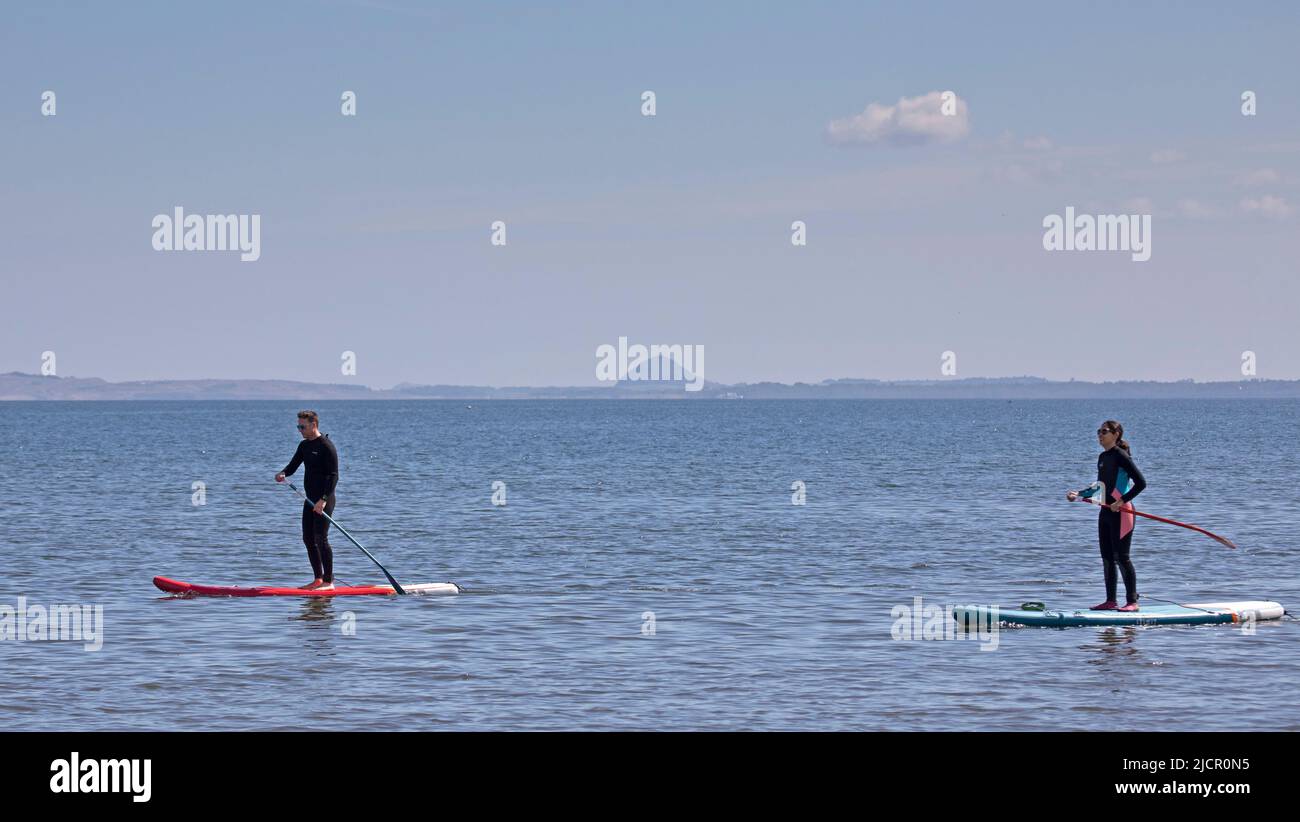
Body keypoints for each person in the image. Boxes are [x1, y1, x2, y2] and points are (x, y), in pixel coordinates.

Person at [1066, 420, 1147, 612]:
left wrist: (1121, 501)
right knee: (1108, 557)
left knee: (1122, 557)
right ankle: (1111, 601)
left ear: (1116, 434)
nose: (1100, 435)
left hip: (1123, 512)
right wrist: (1079, 494)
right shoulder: (1103, 457)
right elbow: (1100, 488)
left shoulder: (1121, 456)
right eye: (1098, 431)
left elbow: (1141, 483)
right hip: (1105, 512)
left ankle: (1132, 602)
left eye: (1104, 431)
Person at [275, 410, 339, 590]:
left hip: (324, 499)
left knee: (321, 538)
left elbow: (334, 476)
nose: (299, 430)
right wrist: (283, 473)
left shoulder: (326, 446)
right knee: (308, 539)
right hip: (309, 499)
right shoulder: (304, 446)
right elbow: (293, 465)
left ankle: (329, 582)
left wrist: (324, 500)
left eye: (302, 426)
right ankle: (318, 579)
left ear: (313, 425)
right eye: (298, 426)